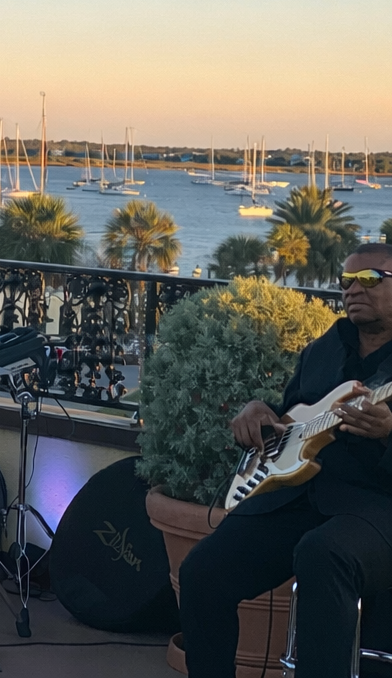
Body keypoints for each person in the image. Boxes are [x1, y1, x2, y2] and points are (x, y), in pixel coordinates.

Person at [180, 244, 392, 678]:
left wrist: (389, 435)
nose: (353, 289)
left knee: (322, 553)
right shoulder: (324, 349)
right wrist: (260, 411)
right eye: (346, 281)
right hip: (298, 497)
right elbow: (294, 419)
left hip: (375, 506)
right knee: (202, 570)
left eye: (369, 279)